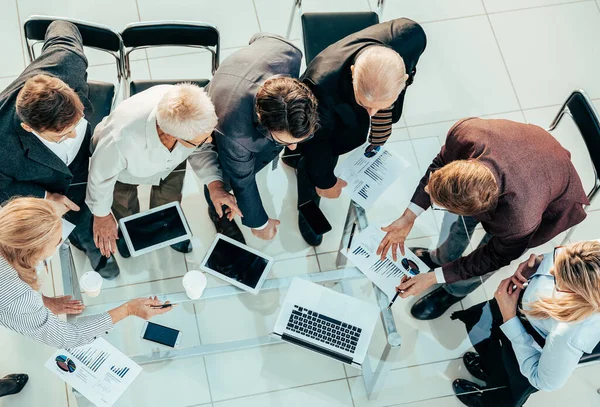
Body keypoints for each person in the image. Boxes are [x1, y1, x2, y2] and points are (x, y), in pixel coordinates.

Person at [378, 118, 589, 320]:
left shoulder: (519, 222)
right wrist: (409, 217)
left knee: (488, 253)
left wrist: (434, 278)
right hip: (520, 152)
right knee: (458, 226)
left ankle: (454, 291)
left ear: (474, 210)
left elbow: (493, 257)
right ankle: (441, 257)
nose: (427, 190)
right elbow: (440, 162)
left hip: (547, 191)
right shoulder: (466, 134)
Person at [282, 18, 426, 246]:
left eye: (380, 105)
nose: (372, 113)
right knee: (311, 159)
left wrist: (384, 115)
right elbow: (318, 145)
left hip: (359, 98)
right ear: (352, 73)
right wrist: (325, 182)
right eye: (366, 105)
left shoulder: (411, 35)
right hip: (328, 122)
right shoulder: (318, 89)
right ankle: (305, 193)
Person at [0, 20, 119, 279]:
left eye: (75, 124)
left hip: (81, 167)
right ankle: (91, 248)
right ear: (30, 129)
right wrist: (44, 198)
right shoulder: (3, 144)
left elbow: (62, 25)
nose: (74, 135)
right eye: (62, 135)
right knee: (77, 220)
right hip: (50, 185)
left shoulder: (67, 61)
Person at [86, 83, 240, 258]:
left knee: (170, 196)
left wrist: (214, 185)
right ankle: (129, 232)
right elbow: (99, 177)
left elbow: (201, 149)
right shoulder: (120, 139)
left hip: (173, 163)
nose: (209, 140)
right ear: (171, 136)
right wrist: (102, 216)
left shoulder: (190, 114)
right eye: (200, 140)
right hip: (124, 173)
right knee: (124, 204)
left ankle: (166, 228)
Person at [0, 197, 173, 350]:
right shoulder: (18, 298)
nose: (62, 242)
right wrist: (128, 309)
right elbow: (67, 337)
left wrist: (42, 301)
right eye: (58, 241)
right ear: (32, 253)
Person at [451, 241, 600, 406]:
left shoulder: (570, 332)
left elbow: (542, 381)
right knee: (491, 347)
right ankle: (493, 370)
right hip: (520, 312)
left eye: (558, 277)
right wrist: (540, 263)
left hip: (531, 344)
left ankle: (489, 401)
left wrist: (509, 318)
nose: (550, 270)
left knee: (510, 387)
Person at [201, 33, 318, 242]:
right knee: (225, 178)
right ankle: (217, 212)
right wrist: (259, 223)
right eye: (284, 142)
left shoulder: (288, 53)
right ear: (262, 120)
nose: (293, 147)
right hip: (219, 119)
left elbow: (259, 38)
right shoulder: (235, 134)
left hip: (241, 81)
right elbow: (243, 181)